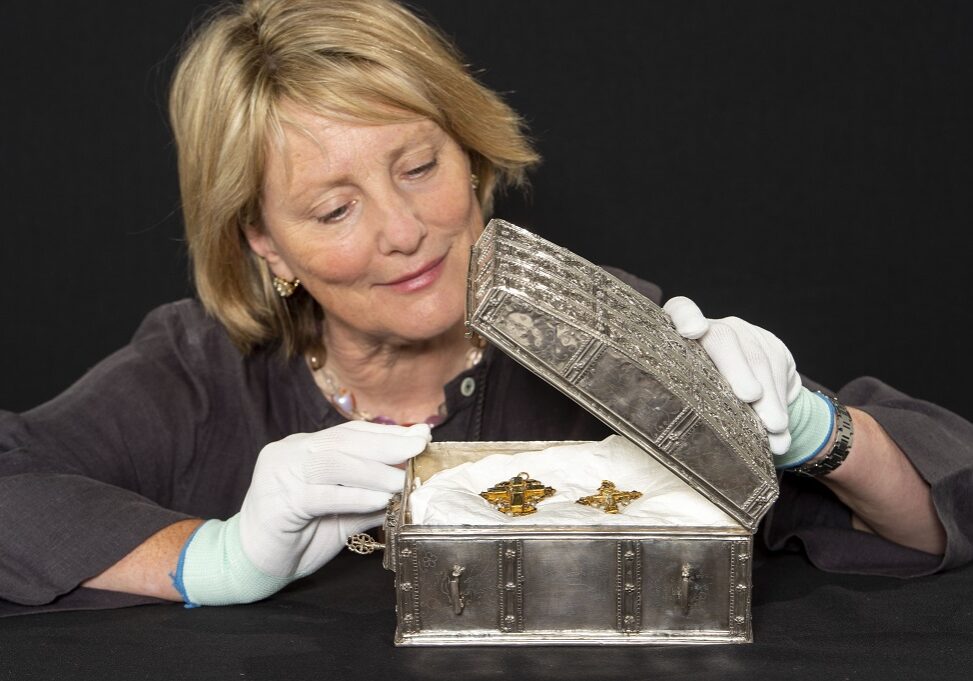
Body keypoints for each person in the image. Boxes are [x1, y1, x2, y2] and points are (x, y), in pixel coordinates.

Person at [1, 0, 970, 613]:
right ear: (262, 242)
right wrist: (212, 563)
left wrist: (812, 429)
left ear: (472, 159)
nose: (404, 227)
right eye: (333, 207)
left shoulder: (595, 337)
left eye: (420, 166)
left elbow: (928, 522)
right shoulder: (197, 373)